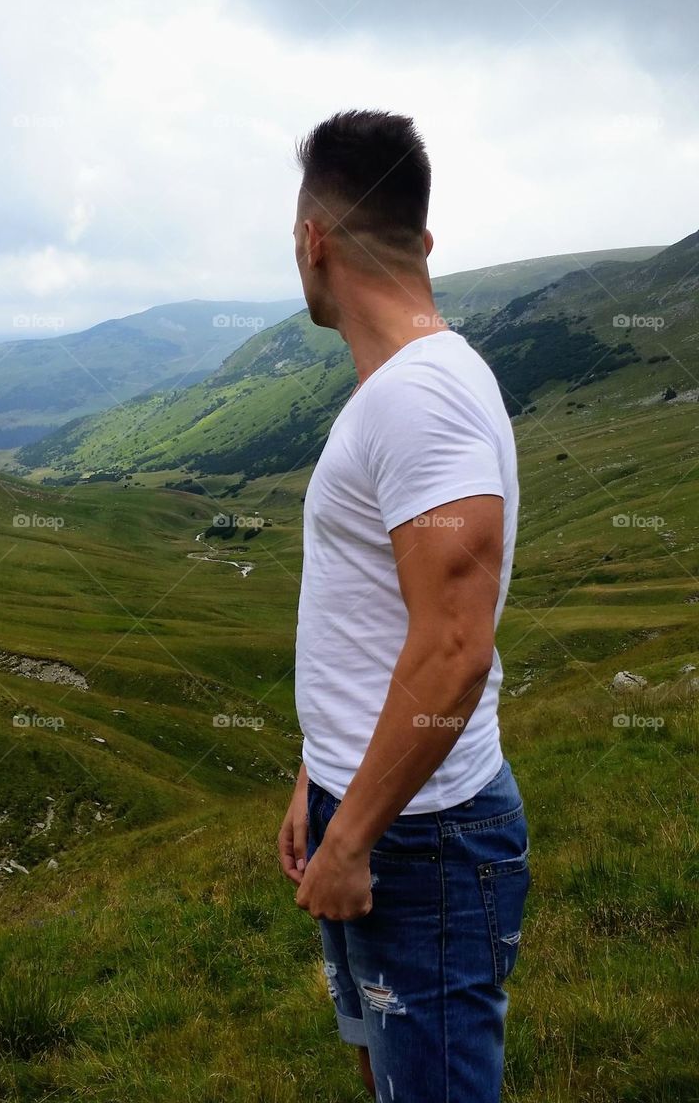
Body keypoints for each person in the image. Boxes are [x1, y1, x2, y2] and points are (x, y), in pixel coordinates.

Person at [277, 110, 530, 1102]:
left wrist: (353, 835)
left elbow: (455, 648)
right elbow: (380, 616)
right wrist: (320, 772)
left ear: (315, 241)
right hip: (382, 805)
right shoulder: (402, 390)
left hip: (420, 833)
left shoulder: (425, 397)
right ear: (421, 243)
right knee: (391, 1078)